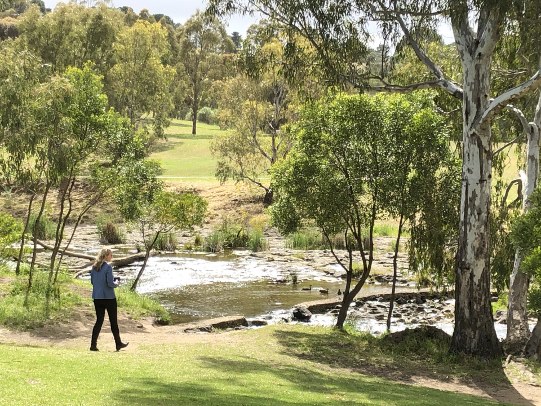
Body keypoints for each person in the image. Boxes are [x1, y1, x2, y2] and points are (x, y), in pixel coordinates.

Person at [90, 248, 128, 352]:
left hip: (97, 297)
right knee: (113, 321)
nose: (112, 257)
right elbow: (110, 283)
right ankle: (118, 343)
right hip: (109, 297)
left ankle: (93, 344)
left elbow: (93, 282)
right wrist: (116, 283)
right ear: (106, 256)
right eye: (111, 255)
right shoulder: (108, 267)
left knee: (99, 321)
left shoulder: (94, 267)